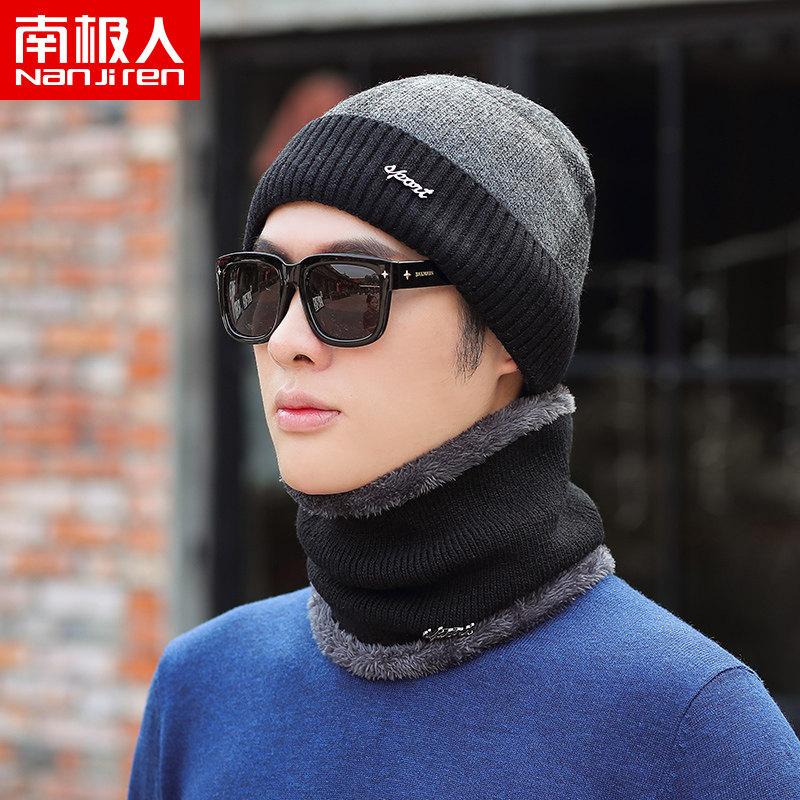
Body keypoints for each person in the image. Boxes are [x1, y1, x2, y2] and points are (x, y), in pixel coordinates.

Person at [128, 74, 800, 799]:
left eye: (348, 288)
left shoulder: (691, 727)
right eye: (264, 284)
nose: (287, 340)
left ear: (507, 334)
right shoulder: (203, 686)